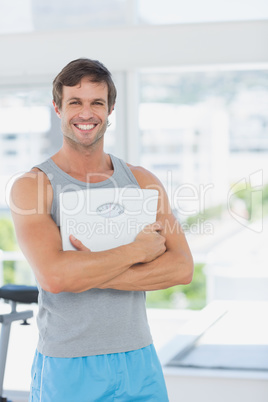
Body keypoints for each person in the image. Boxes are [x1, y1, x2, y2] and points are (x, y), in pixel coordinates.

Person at [10, 58, 194, 402]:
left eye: (97, 102)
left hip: (139, 358)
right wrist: (136, 253)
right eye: (75, 102)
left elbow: (182, 268)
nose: (86, 113)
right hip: (68, 363)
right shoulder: (33, 186)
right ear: (57, 107)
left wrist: (81, 270)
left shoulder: (142, 181)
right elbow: (54, 278)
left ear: (110, 109)